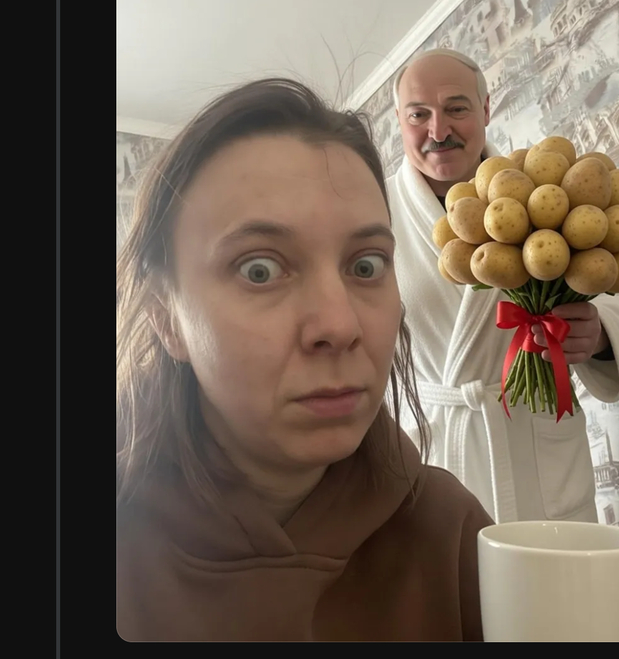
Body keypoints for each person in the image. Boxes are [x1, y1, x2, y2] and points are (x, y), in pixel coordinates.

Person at [117, 79, 495, 641]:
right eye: (260, 270)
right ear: (165, 318)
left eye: (366, 265)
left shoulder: (450, 530)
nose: (340, 327)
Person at [387, 48, 619, 525]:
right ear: (399, 121)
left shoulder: (546, 184)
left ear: (485, 109)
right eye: (418, 114)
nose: (438, 130)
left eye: (455, 108)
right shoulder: (374, 213)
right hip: (435, 451)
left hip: (537, 446)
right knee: (447, 565)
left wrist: (598, 334)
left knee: (556, 567)